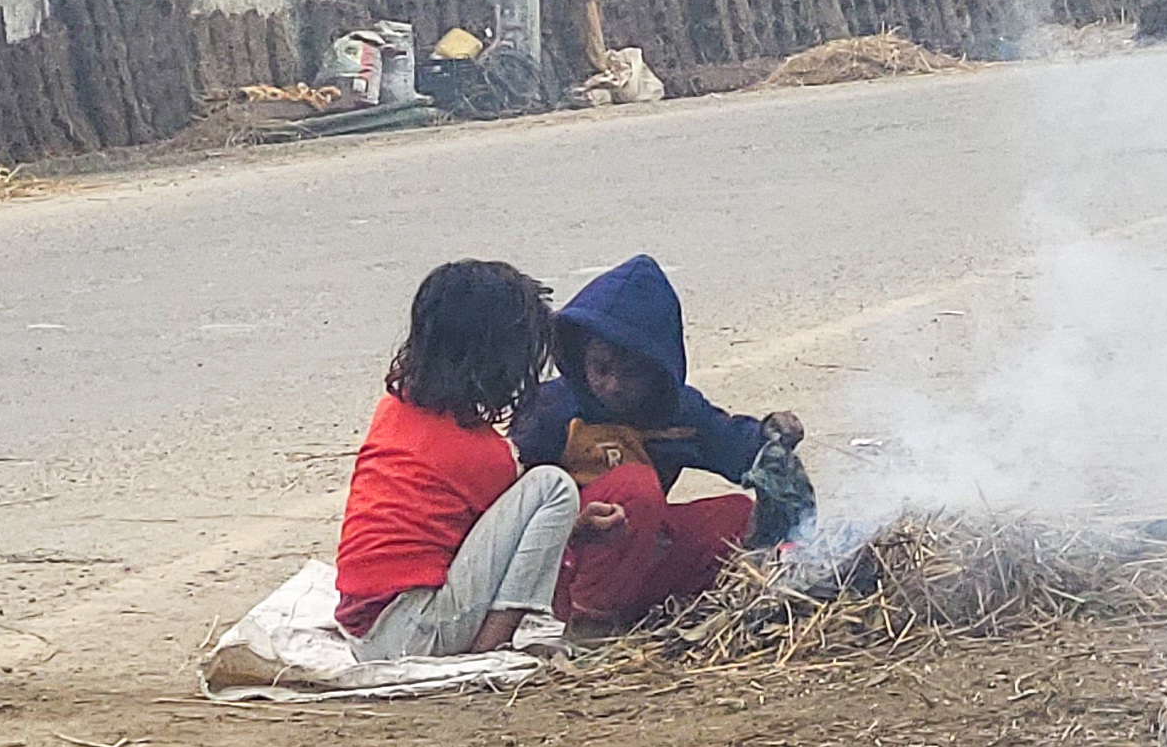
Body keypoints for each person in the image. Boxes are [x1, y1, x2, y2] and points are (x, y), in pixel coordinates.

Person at [506, 255, 812, 629]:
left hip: (638, 555)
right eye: (601, 369)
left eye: (630, 372)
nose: (613, 385)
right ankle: (591, 623)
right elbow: (515, 503)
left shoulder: (678, 412)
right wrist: (571, 526)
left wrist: (771, 437)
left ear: (657, 369)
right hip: (564, 566)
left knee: (737, 516)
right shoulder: (552, 410)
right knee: (635, 488)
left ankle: (637, 606)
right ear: (580, 360)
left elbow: (735, 447)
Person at [333, 260, 583, 659]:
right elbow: (520, 542)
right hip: (413, 632)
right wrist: (577, 526)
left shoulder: (393, 411)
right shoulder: (483, 455)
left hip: (365, 629)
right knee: (552, 487)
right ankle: (494, 647)